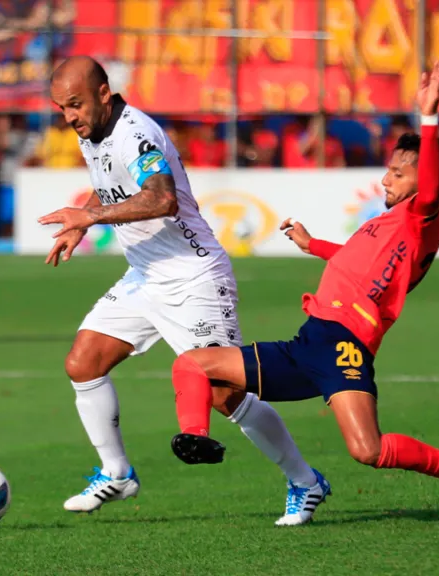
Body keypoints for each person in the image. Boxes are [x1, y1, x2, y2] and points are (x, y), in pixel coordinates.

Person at [166, 62, 439, 518]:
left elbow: (432, 184)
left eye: (399, 172)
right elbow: (357, 262)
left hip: (345, 347)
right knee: (193, 365)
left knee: (368, 450)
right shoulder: (385, 223)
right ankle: (195, 437)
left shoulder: (424, 216)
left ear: (424, 179)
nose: (386, 179)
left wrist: (430, 116)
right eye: (389, 170)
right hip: (309, 340)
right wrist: (311, 243)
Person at [38, 56, 330, 525]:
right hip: (145, 275)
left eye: (75, 105)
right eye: (61, 108)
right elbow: (112, 185)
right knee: (83, 362)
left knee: (222, 394)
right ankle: (118, 474)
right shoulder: (94, 131)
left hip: (195, 277)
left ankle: (306, 482)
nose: (69, 117)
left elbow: (161, 196)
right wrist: (83, 223)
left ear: (104, 95)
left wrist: (89, 218)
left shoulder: (138, 134)